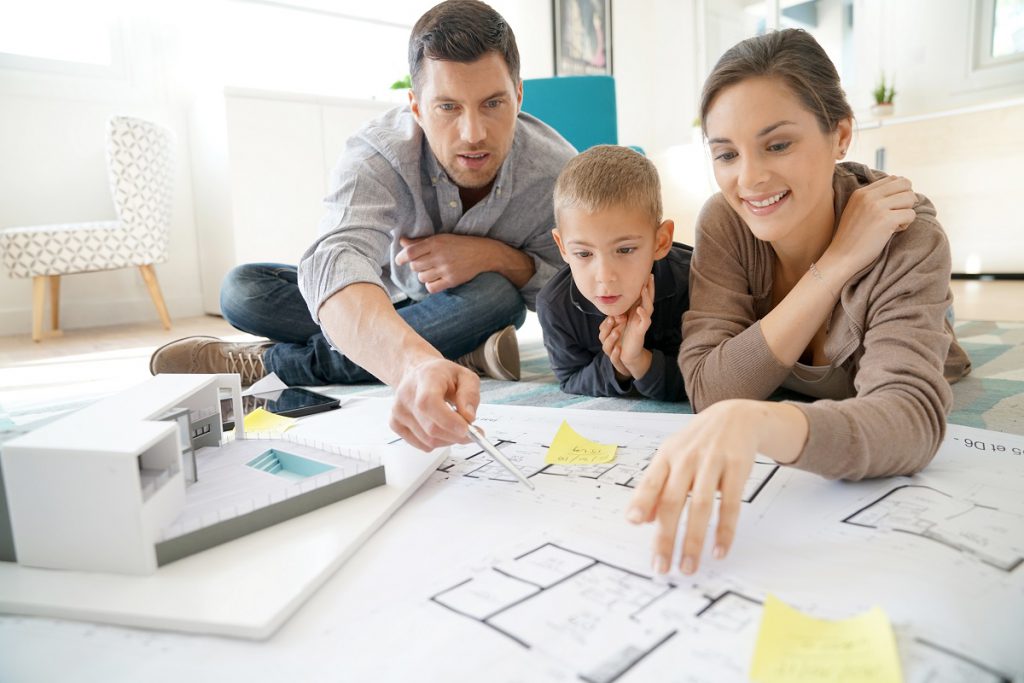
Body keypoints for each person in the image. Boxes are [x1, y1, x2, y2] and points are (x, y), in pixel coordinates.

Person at [150, 0, 576, 450]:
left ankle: (271, 364)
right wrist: (411, 363)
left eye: (493, 103)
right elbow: (335, 260)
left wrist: (504, 261)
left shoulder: (558, 173)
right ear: (415, 106)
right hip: (382, 293)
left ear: (519, 96)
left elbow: (576, 292)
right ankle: (456, 350)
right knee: (242, 290)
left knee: (496, 298)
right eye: (448, 106)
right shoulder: (379, 151)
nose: (473, 133)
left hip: (470, 305)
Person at [625, 29, 971, 577]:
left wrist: (765, 423)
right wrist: (834, 266)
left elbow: (911, 417)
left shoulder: (910, 238)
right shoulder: (726, 221)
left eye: (778, 144)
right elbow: (711, 390)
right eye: (726, 154)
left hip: (908, 318)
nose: (750, 178)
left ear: (840, 136)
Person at [537, 145, 692, 400]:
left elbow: (712, 379)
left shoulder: (696, 282)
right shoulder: (554, 305)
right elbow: (570, 378)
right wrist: (618, 368)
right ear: (562, 246)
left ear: (661, 241)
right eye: (584, 254)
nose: (604, 276)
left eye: (625, 250)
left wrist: (639, 360)